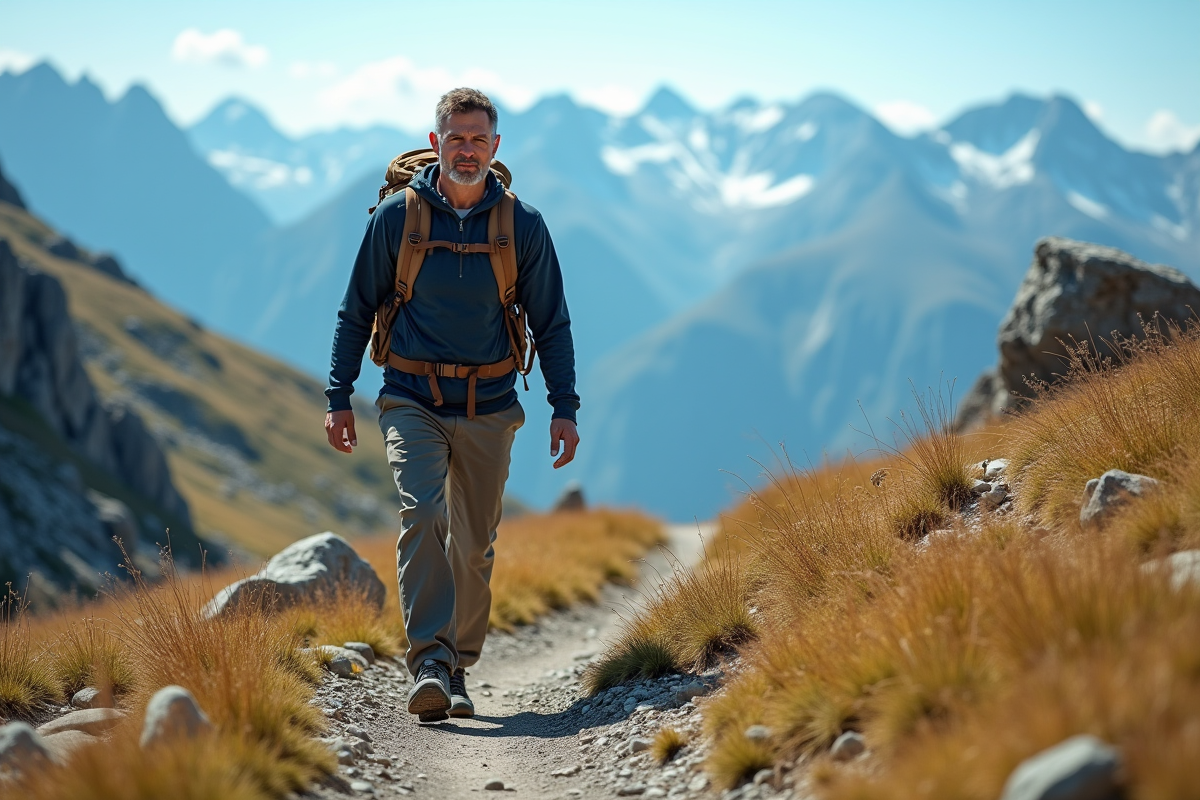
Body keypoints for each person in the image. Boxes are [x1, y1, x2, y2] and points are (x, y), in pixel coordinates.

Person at [323, 88, 580, 722]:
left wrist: (564, 406)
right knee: (422, 515)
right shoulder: (395, 220)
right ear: (436, 144)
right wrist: (338, 395)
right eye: (456, 138)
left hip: (491, 405)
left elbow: (552, 323)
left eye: (478, 138)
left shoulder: (523, 226)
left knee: (473, 545)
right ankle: (431, 664)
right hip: (411, 399)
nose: (467, 150)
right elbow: (356, 310)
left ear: (496, 147)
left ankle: (458, 665)